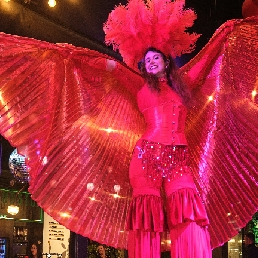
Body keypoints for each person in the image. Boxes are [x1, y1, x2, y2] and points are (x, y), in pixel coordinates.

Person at [0, 0, 257, 257]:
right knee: (146, 219)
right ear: (143, 66)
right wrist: (72, 56)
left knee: (188, 215)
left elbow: (212, 56)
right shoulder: (137, 84)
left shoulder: (186, 83)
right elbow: (105, 66)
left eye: (157, 57)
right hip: (145, 158)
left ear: (167, 62)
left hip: (178, 159)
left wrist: (227, 31)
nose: (152, 62)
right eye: (147, 60)